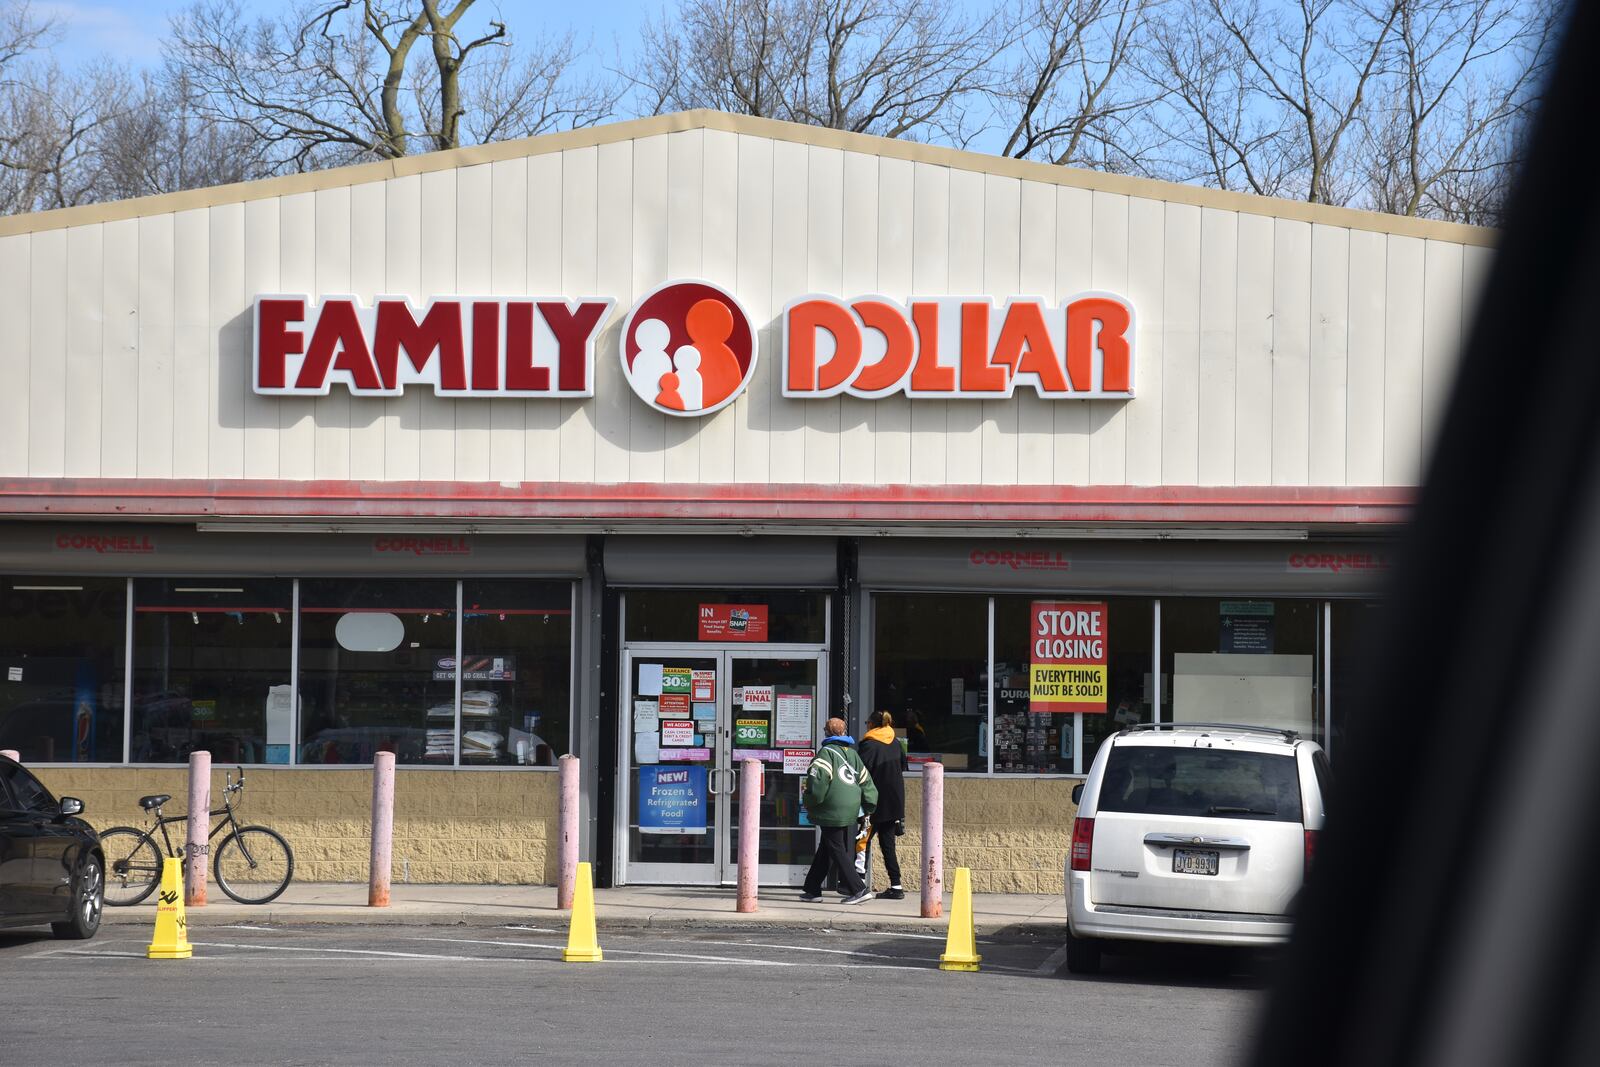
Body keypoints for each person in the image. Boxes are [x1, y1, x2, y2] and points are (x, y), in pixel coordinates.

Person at [800, 716, 878, 905]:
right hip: (850, 808)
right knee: (826, 847)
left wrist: (808, 801)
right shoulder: (852, 754)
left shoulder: (825, 753)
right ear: (844, 732)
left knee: (836, 848)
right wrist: (868, 806)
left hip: (830, 808)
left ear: (826, 732)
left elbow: (817, 785)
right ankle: (812, 889)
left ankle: (858, 889)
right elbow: (866, 782)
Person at [856, 710, 907, 900]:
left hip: (873, 801)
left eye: (866, 722)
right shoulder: (895, 742)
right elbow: (903, 766)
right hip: (893, 802)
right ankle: (896, 886)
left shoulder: (869, 745)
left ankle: (858, 884)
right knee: (888, 846)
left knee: (862, 841)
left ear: (871, 724)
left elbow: (859, 772)